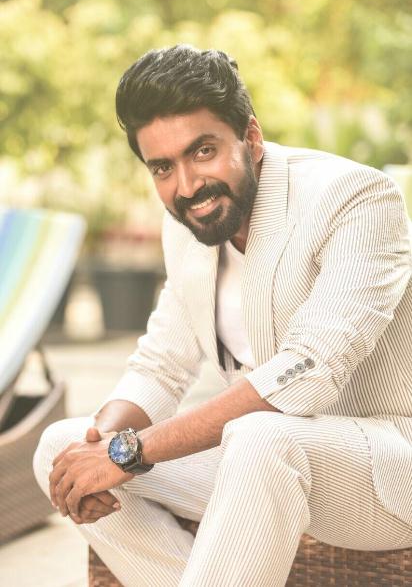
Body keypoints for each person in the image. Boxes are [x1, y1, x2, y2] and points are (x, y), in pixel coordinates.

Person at [34, 45, 412, 587]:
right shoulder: (187, 225)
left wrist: (129, 451)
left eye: (204, 151)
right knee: (62, 448)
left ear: (251, 137)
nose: (187, 186)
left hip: (386, 469)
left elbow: (310, 371)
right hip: (259, 463)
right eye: (163, 167)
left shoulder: (355, 198)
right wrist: (101, 444)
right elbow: (162, 366)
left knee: (261, 436)